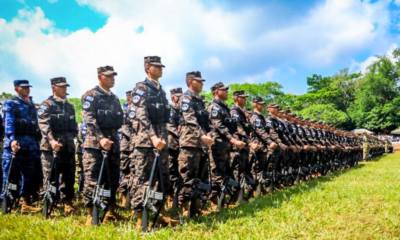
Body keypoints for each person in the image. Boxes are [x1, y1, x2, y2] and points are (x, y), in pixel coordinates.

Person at [130, 56, 178, 228]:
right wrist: (153, 136)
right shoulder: (141, 88)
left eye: (161, 66)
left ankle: (160, 213)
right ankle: (140, 217)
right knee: (142, 179)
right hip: (145, 141)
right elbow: (141, 114)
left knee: (162, 177)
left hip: (161, 140)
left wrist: (163, 138)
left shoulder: (161, 91)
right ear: (147, 68)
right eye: (157, 67)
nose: (161, 69)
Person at [81, 66, 124, 225]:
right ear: (100, 76)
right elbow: (89, 119)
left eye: (113, 76)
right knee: (93, 178)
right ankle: (91, 213)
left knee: (112, 178)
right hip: (95, 145)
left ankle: (110, 210)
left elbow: (120, 121)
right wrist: (100, 138)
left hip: (113, 142)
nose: (112, 79)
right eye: (109, 76)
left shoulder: (114, 98)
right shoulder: (91, 96)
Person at [38, 77, 77, 214]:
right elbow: (44, 124)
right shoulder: (46, 105)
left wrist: (74, 140)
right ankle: (49, 204)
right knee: (51, 176)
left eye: (65, 86)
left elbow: (73, 128)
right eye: (61, 86)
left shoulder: (70, 106)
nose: (64, 89)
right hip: (51, 147)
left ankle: (68, 203)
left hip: (68, 147)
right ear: (53, 88)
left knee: (69, 176)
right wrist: (52, 140)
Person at [1, 80, 42, 213]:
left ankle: (26, 202)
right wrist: (12, 139)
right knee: (10, 174)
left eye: (28, 87)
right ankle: (7, 202)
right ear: (16, 89)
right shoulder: (11, 103)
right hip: (15, 143)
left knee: (29, 174)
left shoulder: (31, 104)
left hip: (30, 144)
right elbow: (9, 123)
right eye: (24, 88)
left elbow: (36, 125)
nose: (27, 90)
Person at [177, 71, 214, 216]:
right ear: (191, 81)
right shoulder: (186, 98)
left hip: (201, 144)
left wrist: (210, 133)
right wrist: (202, 135)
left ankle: (197, 206)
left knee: (200, 176)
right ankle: (186, 208)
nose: (202, 84)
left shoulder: (200, 101)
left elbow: (207, 121)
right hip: (190, 142)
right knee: (188, 176)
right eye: (199, 81)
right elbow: (190, 119)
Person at [207, 82, 246, 210]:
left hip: (225, 146)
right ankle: (214, 199)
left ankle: (222, 200)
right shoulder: (215, 107)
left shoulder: (224, 108)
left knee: (225, 173)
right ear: (217, 92)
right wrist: (233, 140)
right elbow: (219, 126)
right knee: (217, 173)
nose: (227, 92)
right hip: (217, 144)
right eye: (224, 90)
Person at [119, 91, 133, 207]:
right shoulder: (124, 111)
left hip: (138, 146)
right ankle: (124, 196)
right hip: (127, 145)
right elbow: (125, 128)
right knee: (125, 170)